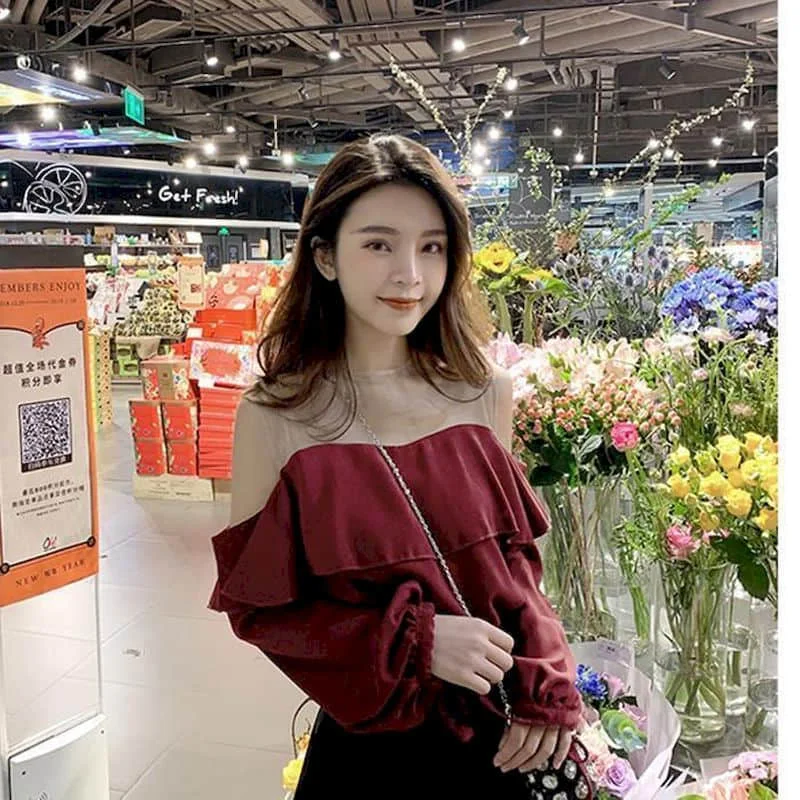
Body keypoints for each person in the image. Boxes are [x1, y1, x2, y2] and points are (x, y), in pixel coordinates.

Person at [208, 134, 583, 798]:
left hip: (502, 734)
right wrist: (416, 642)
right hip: (371, 749)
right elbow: (262, 612)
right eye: (379, 245)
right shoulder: (275, 416)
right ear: (325, 256)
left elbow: (515, 566)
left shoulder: (483, 391)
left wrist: (548, 677)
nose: (410, 274)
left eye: (431, 247)